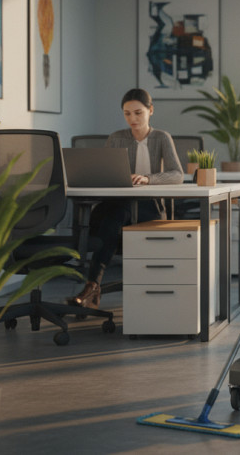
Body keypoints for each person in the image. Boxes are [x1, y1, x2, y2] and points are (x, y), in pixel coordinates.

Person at [70, 88, 184, 307]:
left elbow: (177, 175)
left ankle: (92, 285)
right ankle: (93, 285)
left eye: (138, 113)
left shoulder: (161, 137)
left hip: (149, 206)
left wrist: (148, 179)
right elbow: (104, 171)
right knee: (113, 216)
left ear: (150, 111)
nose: (133, 118)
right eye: (127, 113)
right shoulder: (116, 138)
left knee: (111, 219)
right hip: (119, 202)